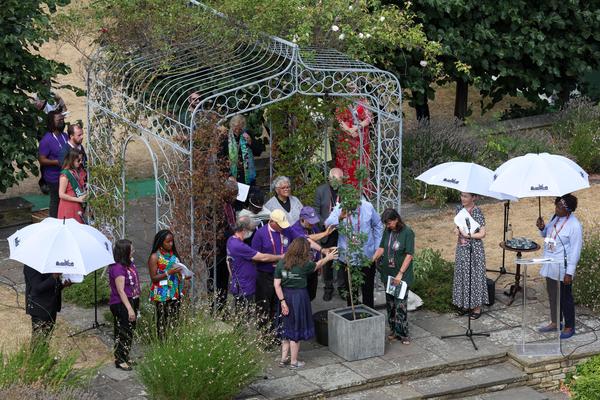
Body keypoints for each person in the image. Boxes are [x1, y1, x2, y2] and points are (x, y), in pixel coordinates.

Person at [274, 237, 338, 369]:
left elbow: (277, 284)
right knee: (296, 330)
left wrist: (282, 302)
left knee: (286, 327)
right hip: (299, 297)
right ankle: (294, 361)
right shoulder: (304, 264)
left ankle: (283, 359)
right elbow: (317, 265)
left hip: (285, 296)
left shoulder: (282, 262)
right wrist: (328, 257)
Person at [536, 194, 583, 339]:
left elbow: (575, 250)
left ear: (567, 209)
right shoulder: (554, 217)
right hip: (550, 263)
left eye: (559, 206)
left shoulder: (574, 225)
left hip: (563, 268)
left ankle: (569, 326)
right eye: (556, 205)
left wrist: (570, 272)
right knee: (553, 295)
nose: (556, 208)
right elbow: (547, 235)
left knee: (565, 297)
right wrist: (542, 228)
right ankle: (556, 322)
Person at [325, 196, 383, 308]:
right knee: (351, 293)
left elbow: (378, 225)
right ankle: (353, 317)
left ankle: (369, 316)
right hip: (348, 258)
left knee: (368, 290)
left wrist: (377, 247)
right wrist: (340, 217)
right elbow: (327, 224)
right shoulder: (339, 208)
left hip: (367, 256)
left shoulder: (368, 207)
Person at [372, 209, 415, 345]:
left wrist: (400, 273)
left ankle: (403, 334)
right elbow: (382, 248)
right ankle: (394, 330)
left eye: (389, 223)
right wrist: (372, 258)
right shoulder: (388, 231)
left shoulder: (407, 233)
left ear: (396, 219)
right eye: (386, 223)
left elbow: (409, 255)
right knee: (390, 304)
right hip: (388, 275)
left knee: (400, 304)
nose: (388, 225)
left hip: (400, 275)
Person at [227, 216, 283, 307]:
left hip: (240, 283)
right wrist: (280, 257)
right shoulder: (239, 246)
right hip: (244, 286)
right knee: (244, 314)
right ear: (244, 229)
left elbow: (228, 261)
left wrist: (233, 275)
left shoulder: (231, 240)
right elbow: (262, 257)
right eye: (251, 230)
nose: (251, 233)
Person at [285, 206, 336, 301]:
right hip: (300, 268)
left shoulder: (313, 227)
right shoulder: (294, 228)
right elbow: (307, 239)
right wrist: (325, 234)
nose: (312, 224)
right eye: (310, 221)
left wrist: (320, 257)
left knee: (311, 294)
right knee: (302, 295)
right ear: (302, 219)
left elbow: (317, 241)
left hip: (313, 266)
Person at [453, 192, 488, 320]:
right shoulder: (458, 209)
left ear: (474, 197)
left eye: (466, 196)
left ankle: (477, 308)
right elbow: (457, 226)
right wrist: (456, 230)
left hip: (475, 249)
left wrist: (468, 235)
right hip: (462, 248)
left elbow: (482, 233)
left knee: (474, 276)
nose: (463, 198)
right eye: (462, 195)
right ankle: (465, 305)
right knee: (463, 275)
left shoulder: (477, 212)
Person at [251, 210, 291, 323]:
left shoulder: (286, 231)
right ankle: (264, 335)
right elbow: (255, 257)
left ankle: (277, 332)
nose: (282, 227)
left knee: (279, 304)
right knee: (263, 306)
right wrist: (279, 257)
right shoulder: (260, 234)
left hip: (282, 273)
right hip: (265, 275)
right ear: (272, 222)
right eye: (280, 225)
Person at [108, 239, 141, 371]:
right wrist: (129, 309)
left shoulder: (129, 264)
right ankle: (120, 360)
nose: (133, 251)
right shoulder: (117, 268)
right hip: (122, 303)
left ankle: (124, 355)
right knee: (123, 331)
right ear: (124, 252)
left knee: (129, 330)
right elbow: (121, 290)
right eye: (131, 249)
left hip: (131, 300)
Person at [314, 167, 346, 301]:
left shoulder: (346, 191)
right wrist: (325, 223)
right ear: (329, 179)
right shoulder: (321, 191)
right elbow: (316, 212)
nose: (338, 184)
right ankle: (328, 288)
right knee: (328, 261)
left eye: (340, 181)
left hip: (343, 231)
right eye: (335, 181)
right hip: (328, 231)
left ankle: (343, 288)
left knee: (343, 259)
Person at [148, 230, 185, 340]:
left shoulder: (173, 255)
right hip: (162, 293)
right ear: (160, 242)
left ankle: (174, 344)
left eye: (172, 241)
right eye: (168, 242)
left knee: (175, 320)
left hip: (174, 292)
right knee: (162, 321)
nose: (171, 244)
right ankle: (162, 344)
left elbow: (179, 272)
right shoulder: (155, 257)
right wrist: (168, 273)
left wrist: (184, 275)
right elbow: (153, 278)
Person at [334, 82, 372, 188]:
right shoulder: (342, 102)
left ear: (358, 87)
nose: (351, 88)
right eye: (349, 85)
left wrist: (356, 128)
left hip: (361, 137)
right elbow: (338, 118)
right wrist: (349, 130)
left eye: (353, 85)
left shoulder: (364, 101)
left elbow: (368, 118)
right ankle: (344, 188)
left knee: (360, 161)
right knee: (345, 162)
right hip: (345, 138)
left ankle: (361, 190)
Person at [23, 265, 71, 346]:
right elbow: (37, 288)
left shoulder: (49, 263)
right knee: (38, 340)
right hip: (39, 308)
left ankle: (44, 357)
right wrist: (54, 276)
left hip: (51, 306)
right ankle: (36, 358)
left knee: (46, 338)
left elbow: (51, 287)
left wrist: (63, 285)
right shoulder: (31, 266)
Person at [38, 111, 68, 217]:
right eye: (59, 120)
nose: (62, 122)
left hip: (66, 174)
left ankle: (64, 220)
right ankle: (54, 222)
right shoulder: (46, 140)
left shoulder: (65, 136)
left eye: (62, 119)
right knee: (56, 201)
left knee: (66, 200)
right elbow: (42, 160)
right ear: (51, 123)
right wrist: (57, 162)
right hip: (53, 177)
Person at [220, 114, 265, 185]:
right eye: (235, 127)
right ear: (231, 126)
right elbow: (221, 159)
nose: (237, 130)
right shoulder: (225, 138)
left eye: (240, 128)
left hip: (247, 177)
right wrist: (229, 175)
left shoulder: (247, 134)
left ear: (243, 126)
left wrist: (251, 142)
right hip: (232, 177)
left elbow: (258, 152)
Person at [57, 148, 87, 224]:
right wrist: (78, 199)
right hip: (68, 207)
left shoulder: (77, 171)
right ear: (72, 160)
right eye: (78, 160)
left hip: (77, 205)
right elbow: (61, 194)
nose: (80, 162)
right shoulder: (65, 174)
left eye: (81, 160)